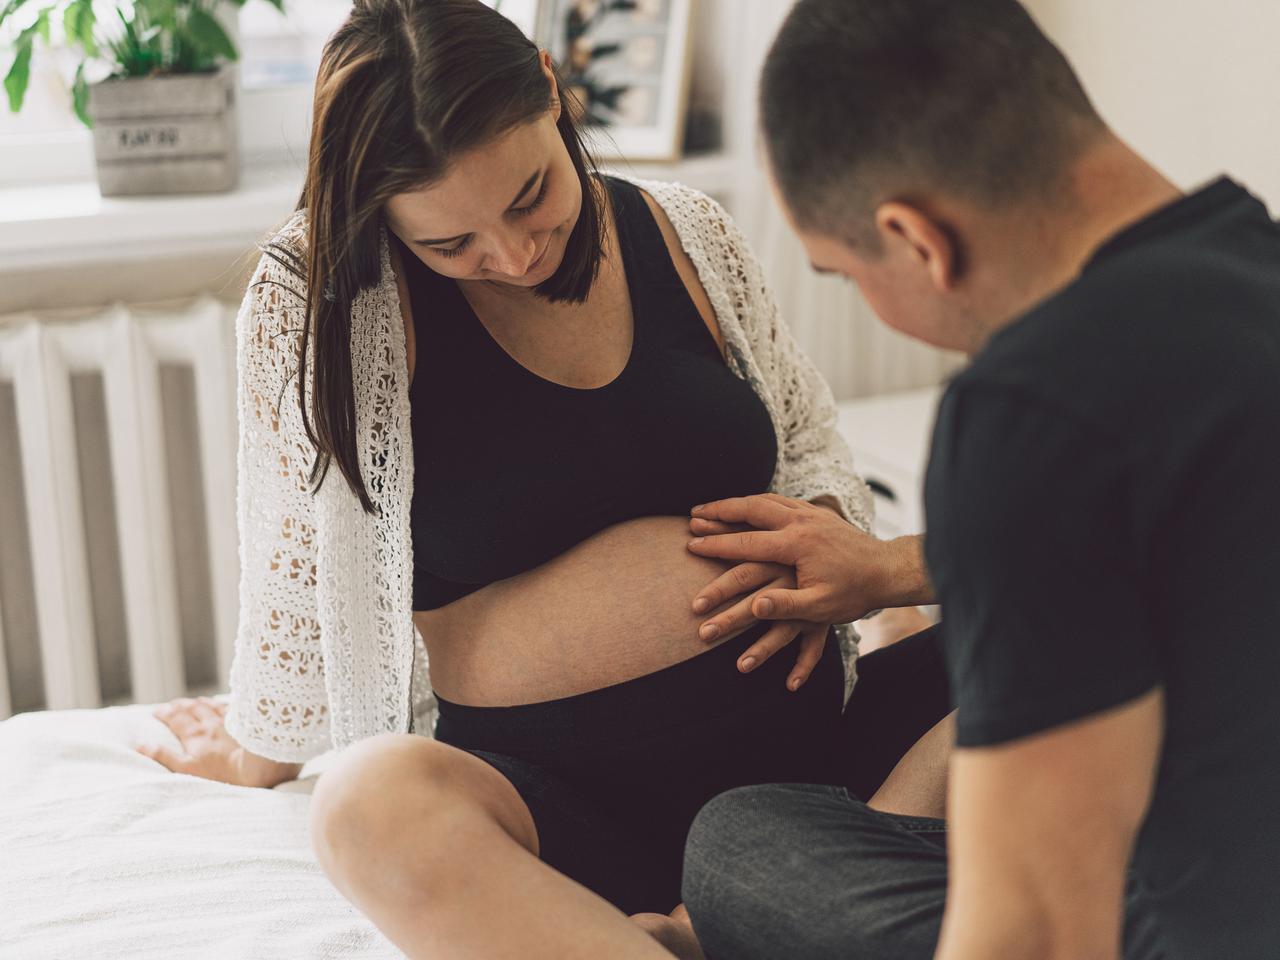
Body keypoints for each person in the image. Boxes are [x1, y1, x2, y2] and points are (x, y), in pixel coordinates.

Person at [133, 1, 952, 957]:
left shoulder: (685, 229)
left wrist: (836, 550)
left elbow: (808, 444)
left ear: (554, 94)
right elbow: (298, 567)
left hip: (820, 774)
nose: (515, 255)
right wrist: (256, 747)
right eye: (452, 245)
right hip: (562, 807)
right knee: (365, 805)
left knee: (1073, 620)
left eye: (530, 196)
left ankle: (759, 901)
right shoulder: (321, 303)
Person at [677, 1, 1280, 958]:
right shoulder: (1253, 259)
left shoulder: (1033, 407)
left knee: (738, 847)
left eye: (844, 275)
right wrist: (889, 573)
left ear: (917, 238)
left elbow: (1036, 929)